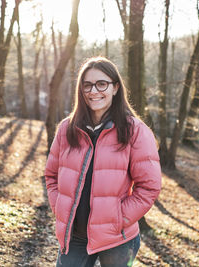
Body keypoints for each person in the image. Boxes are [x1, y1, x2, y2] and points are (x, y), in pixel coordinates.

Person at [45, 56, 162, 267]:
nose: (93, 91)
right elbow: (51, 176)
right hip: (76, 236)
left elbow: (149, 187)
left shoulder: (135, 131)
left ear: (115, 88)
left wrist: (118, 219)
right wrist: (60, 208)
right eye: (87, 85)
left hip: (117, 239)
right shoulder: (66, 129)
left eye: (102, 84)